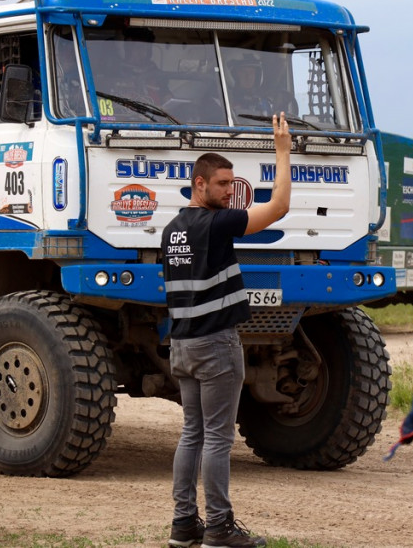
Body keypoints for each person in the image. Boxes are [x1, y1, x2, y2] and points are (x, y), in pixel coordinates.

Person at [163, 112, 291, 548]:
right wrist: (282, 152)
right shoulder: (217, 224)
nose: (230, 191)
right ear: (199, 183)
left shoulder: (172, 229)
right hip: (216, 345)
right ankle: (218, 528)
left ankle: (184, 526)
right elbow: (278, 208)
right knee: (217, 438)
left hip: (182, 345)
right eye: (221, 184)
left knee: (192, 434)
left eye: (231, 184)